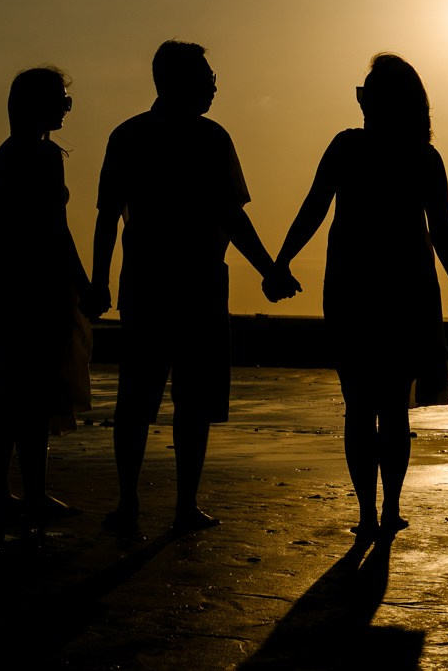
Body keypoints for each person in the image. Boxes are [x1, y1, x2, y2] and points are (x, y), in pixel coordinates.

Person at [88, 40, 297, 534]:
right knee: (180, 401)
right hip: (191, 286)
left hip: (156, 284)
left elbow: (106, 220)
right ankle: (175, 505)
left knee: (145, 398)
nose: (214, 83)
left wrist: (100, 281)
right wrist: (269, 269)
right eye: (206, 75)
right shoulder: (207, 139)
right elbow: (231, 216)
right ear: (177, 80)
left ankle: (136, 504)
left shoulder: (133, 135)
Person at [274, 53, 448, 536]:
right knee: (388, 409)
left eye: (367, 94)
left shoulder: (350, 148)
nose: (360, 102)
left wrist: (282, 260)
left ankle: (371, 511)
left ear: (383, 102)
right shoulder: (421, 157)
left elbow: (314, 209)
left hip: (355, 288)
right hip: (403, 291)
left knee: (362, 406)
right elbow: (442, 232)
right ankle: (385, 509)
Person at [0, 66, 92, 541]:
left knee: (12, 390)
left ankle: (13, 492)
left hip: (6, 283)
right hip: (33, 286)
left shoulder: (10, 152)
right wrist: (84, 284)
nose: (68, 106)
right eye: (61, 98)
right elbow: (55, 229)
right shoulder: (41, 155)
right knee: (23, 391)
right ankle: (22, 492)